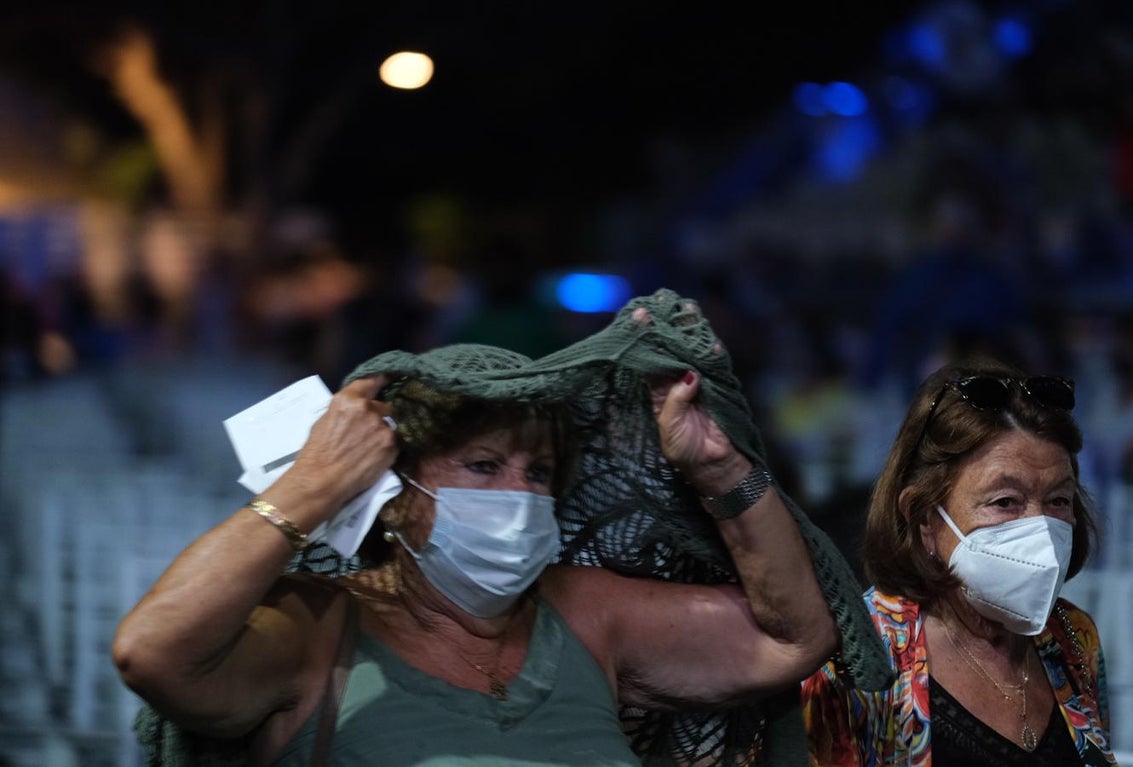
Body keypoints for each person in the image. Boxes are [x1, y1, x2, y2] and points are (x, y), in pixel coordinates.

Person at [113, 290, 890, 766]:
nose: (519, 496)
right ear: (395, 489)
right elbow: (153, 653)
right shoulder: (318, 628)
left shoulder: (586, 614)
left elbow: (791, 638)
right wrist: (314, 484)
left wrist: (720, 470)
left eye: (540, 473)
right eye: (483, 467)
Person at [801, 357, 1117, 766]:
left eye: (1058, 500)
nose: (1040, 528)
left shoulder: (1073, 638)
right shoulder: (856, 659)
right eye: (1005, 502)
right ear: (925, 518)